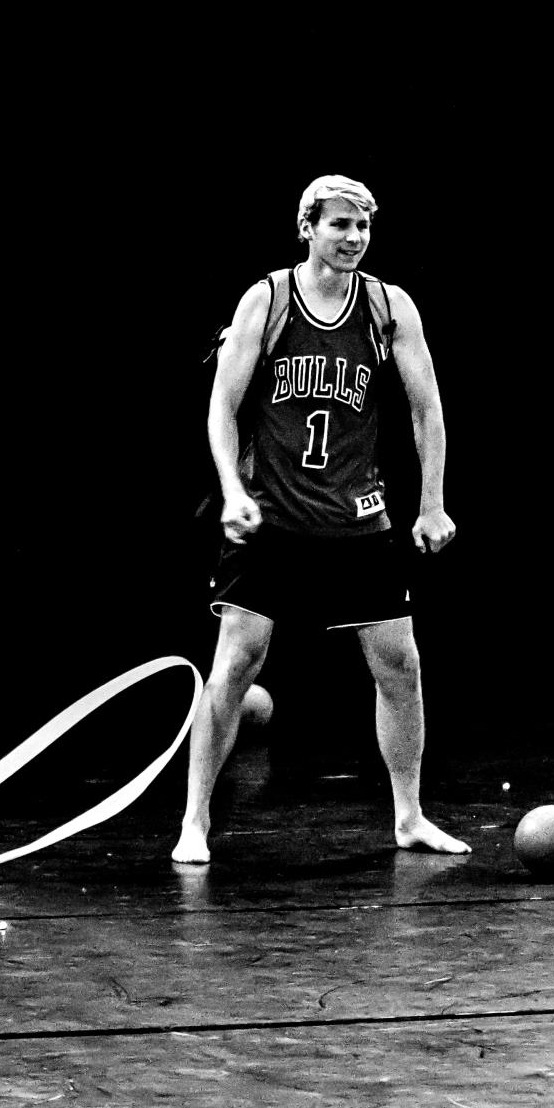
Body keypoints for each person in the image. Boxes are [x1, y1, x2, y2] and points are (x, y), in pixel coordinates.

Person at [173, 174, 466, 865]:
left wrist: (431, 502)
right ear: (307, 228)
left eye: (363, 226)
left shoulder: (388, 306)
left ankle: (409, 816)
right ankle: (194, 821)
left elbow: (427, 408)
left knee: (400, 665)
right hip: (272, 516)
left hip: (356, 516)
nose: (353, 238)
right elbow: (221, 406)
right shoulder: (269, 299)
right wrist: (232, 491)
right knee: (236, 663)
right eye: (339, 224)